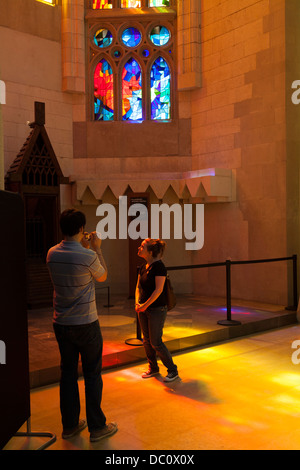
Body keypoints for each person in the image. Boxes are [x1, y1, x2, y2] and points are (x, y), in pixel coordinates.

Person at [46, 209, 117, 442]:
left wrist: (81, 245)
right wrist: (96, 247)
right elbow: (103, 276)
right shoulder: (87, 256)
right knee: (92, 374)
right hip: (86, 323)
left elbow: (70, 261)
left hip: (61, 322)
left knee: (67, 374)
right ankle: (97, 428)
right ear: (80, 229)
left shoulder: (51, 254)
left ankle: (70, 425)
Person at [135, 238, 179, 382]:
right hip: (143, 308)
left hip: (156, 309)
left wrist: (145, 305)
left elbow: (159, 290)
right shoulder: (143, 267)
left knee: (156, 342)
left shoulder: (159, 267)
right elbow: (138, 287)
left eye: (142, 246)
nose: (139, 248)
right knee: (146, 341)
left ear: (150, 251)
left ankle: (172, 370)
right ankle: (153, 368)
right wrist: (137, 303)